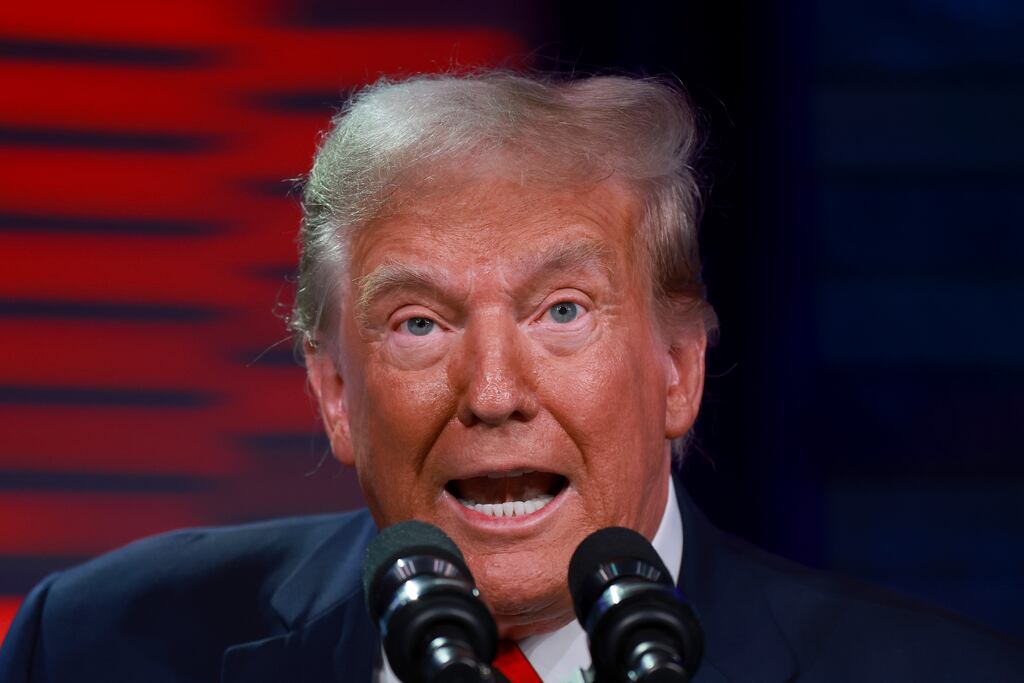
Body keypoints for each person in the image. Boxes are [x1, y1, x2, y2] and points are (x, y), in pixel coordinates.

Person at [1, 71, 1021, 682]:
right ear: (335, 391)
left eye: (561, 311)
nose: (493, 389)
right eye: (418, 322)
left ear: (676, 365)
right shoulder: (99, 646)